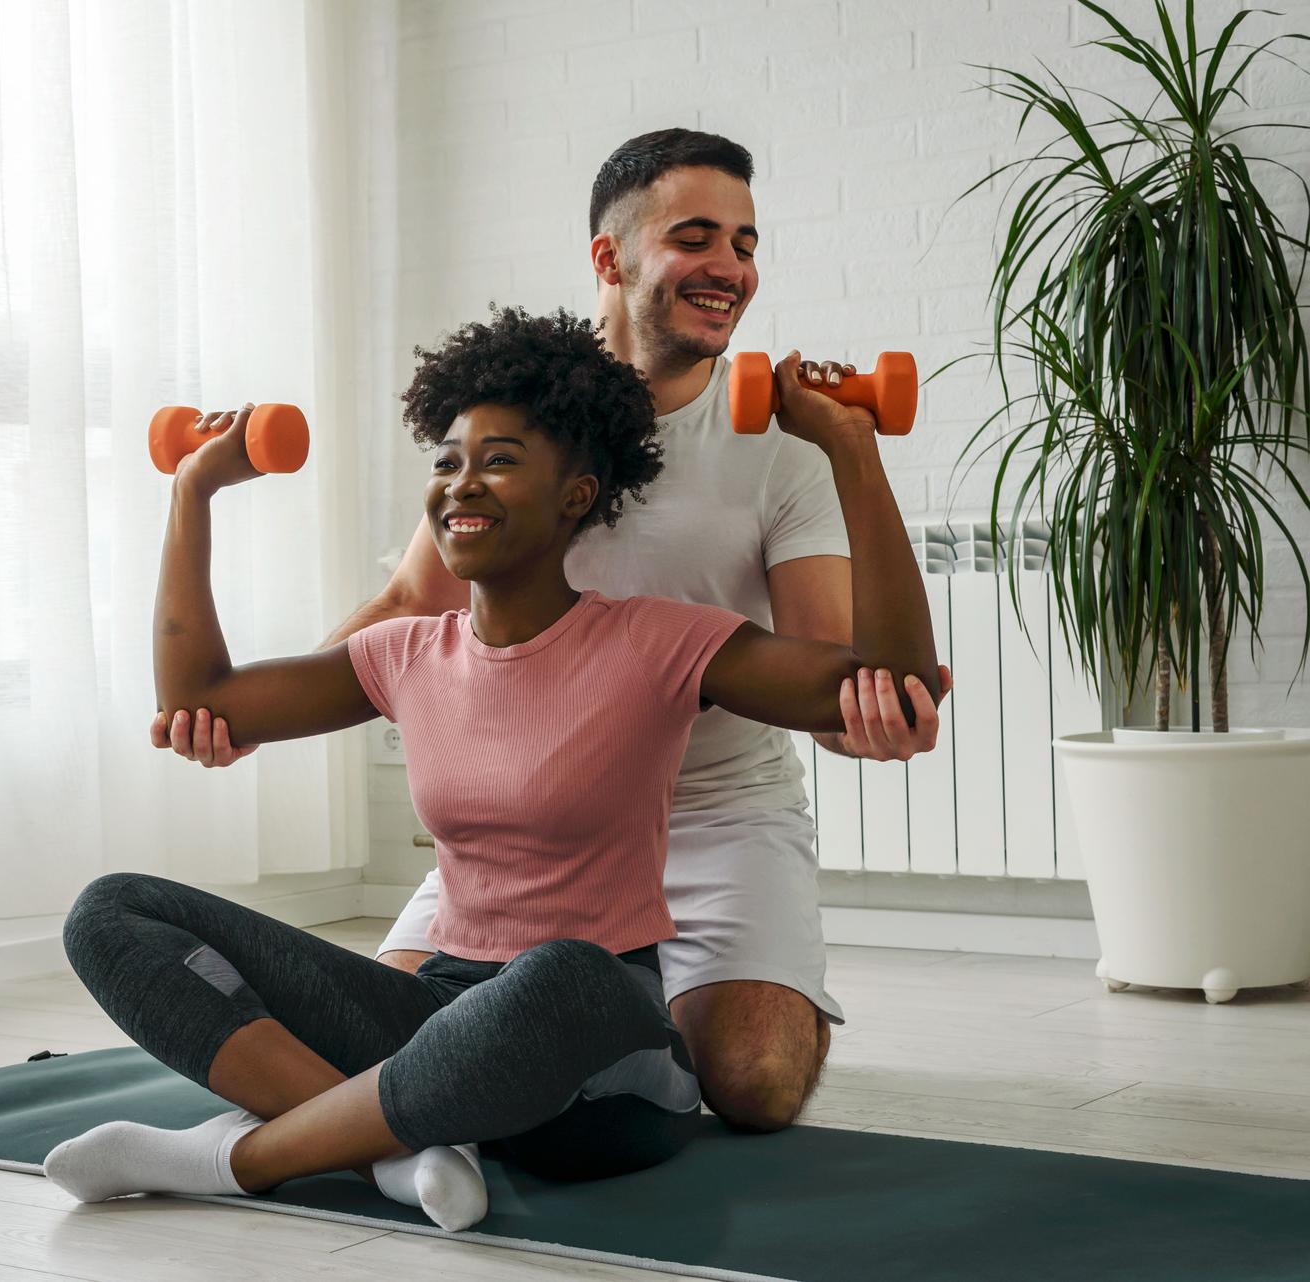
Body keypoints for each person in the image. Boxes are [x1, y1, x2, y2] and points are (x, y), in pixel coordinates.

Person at [50, 304, 940, 1231]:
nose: (461, 486)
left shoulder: (659, 642)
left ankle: (239, 1158)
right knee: (110, 910)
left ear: (577, 496)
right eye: (447, 461)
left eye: (500, 460)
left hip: (601, 1064)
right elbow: (205, 694)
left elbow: (885, 680)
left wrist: (850, 450)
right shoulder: (403, 654)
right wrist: (193, 491)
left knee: (558, 974)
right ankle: (401, 1150)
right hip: (443, 1012)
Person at [152, 128, 954, 1132]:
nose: (730, 269)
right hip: (534, 813)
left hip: (716, 808)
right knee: (382, 1040)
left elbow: (839, 673)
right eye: (695, 238)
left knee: (751, 1081)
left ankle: (647, 1017)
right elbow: (411, 607)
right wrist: (248, 714)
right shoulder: (514, 421)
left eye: (746, 244)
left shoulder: (780, 451)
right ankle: (532, 1053)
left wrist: (872, 713)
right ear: (609, 258)